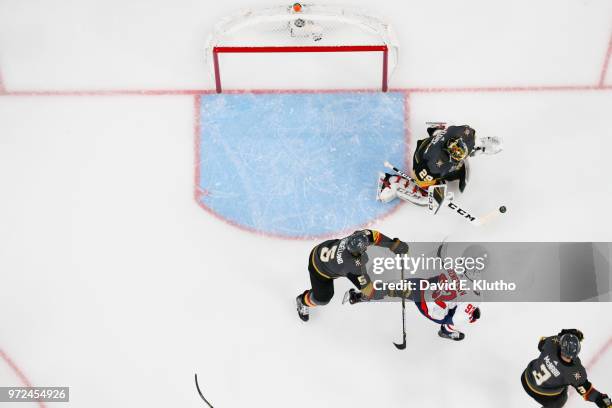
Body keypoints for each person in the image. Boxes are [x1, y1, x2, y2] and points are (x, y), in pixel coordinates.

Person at [295, 229, 409, 322]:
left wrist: (393, 245)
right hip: (319, 269)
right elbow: (371, 291)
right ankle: (302, 300)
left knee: (365, 269)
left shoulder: (359, 236)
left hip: (323, 249)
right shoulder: (351, 266)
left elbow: (375, 236)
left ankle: (359, 295)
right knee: (323, 299)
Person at [378, 123, 502, 205]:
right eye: (455, 152)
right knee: (426, 189)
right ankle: (395, 188)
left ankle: (436, 130)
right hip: (422, 162)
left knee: (440, 135)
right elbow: (421, 177)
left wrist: (478, 145)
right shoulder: (437, 165)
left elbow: (465, 133)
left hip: (429, 145)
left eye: (459, 153)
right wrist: (434, 192)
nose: (456, 153)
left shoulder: (461, 133)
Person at [522, 329, 611, 407]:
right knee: (562, 399)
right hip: (543, 395)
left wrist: (563, 335)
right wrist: (603, 401)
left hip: (525, 378)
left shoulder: (552, 342)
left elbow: (541, 344)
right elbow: (588, 392)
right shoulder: (575, 373)